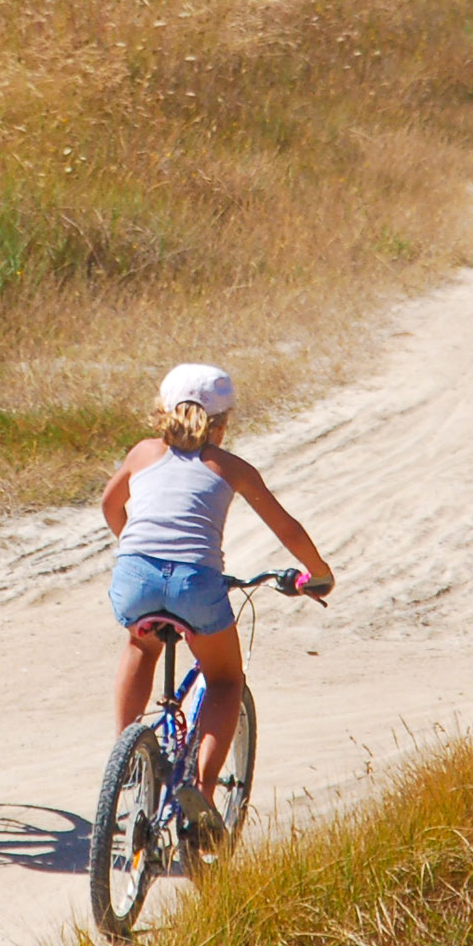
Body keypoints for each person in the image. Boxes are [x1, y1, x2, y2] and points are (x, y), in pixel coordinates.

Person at [99, 362, 332, 848]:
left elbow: (109, 505)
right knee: (225, 679)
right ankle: (202, 793)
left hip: (135, 576)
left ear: (162, 412)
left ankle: (125, 758)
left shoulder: (142, 453)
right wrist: (318, 573)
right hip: (196, 585)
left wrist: (138, 550)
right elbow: (286, 528)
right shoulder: (231, 467)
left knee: (141, 646)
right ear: (222, 424)